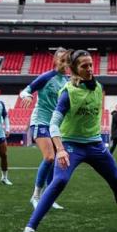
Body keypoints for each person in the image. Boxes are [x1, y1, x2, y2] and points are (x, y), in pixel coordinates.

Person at [18, 50, 117, 232]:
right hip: (71, 145)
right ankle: (29, 230)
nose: (89, 69)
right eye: (83, 66)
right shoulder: (67, 93)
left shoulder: (98, 88)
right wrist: (60, 149)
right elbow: (54, 124)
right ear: (74, 70)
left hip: (95, 145)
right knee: (59, 181)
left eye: (90, 64)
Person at [19, 49, 70, 208]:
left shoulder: (68, 81)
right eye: (61, 60)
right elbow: (26, 90)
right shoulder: (46, 77)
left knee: (55, 161)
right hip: (40, 121)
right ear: (55, 60)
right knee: (49, 157)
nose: (64, 64)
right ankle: (36, 196)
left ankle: (48, 197)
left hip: (56, 126)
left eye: (67, 61)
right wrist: (27, 95)